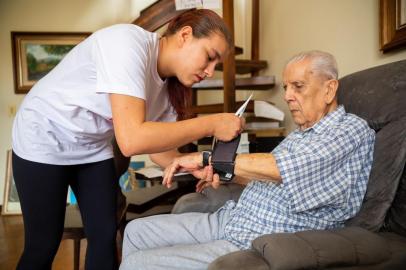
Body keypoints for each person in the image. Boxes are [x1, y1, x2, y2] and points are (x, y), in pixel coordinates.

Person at [11, 9, 244, 270]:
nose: (211, 71)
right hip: (44, 135)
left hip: (91, 147)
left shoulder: (170, 88)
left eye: (217, 65)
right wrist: (212, 124)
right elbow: (131, 140)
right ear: (185, 35)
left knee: (104, 234)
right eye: (210, 57)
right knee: (43, 243)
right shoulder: (127, 44)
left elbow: (160, 151)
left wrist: (191, 164)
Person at [120, 51, 376, 270]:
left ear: (329, 89)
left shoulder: (348, 131)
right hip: (232, 219)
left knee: (138, 263)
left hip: (255, 241)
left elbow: (282, 170)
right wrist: (221, 172)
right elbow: (268, 178)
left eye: (297, 86)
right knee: (136, 231)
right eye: (286, 87)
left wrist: (206, 158)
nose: (287, 95)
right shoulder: (301, 134)